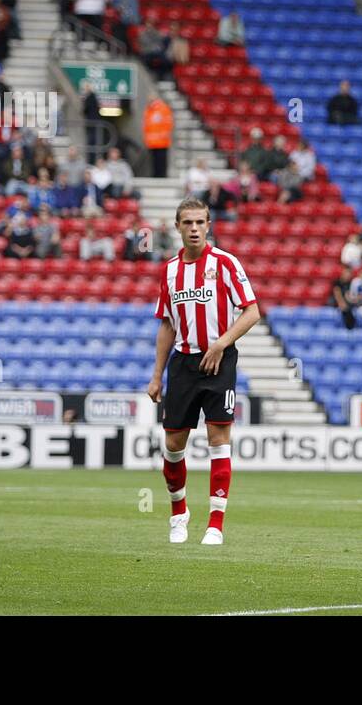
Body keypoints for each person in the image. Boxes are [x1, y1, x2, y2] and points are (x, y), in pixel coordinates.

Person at [148, 197, 261, 546]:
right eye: (188, 223)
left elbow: (252, 311)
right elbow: (167, 324)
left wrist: (220, 344)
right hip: (182, 364)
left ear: (209, 226)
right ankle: (179, 513)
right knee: (173, 444)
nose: (194, 229)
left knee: (218, 440)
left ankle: (216, 523)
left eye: (200, 222)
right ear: (178, 227)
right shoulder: (169, 270)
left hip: (219, 362)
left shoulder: (225, 263)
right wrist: (156, 375)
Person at [143, 95, 173, 178]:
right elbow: (146, 126)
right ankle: (155, 175)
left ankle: (162, 175)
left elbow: (168, 123)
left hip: (162, 141)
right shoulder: (148, 110)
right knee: (154, 161)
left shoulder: (163, 109)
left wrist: (164, 135)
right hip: (152, 142)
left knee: (161, 160)